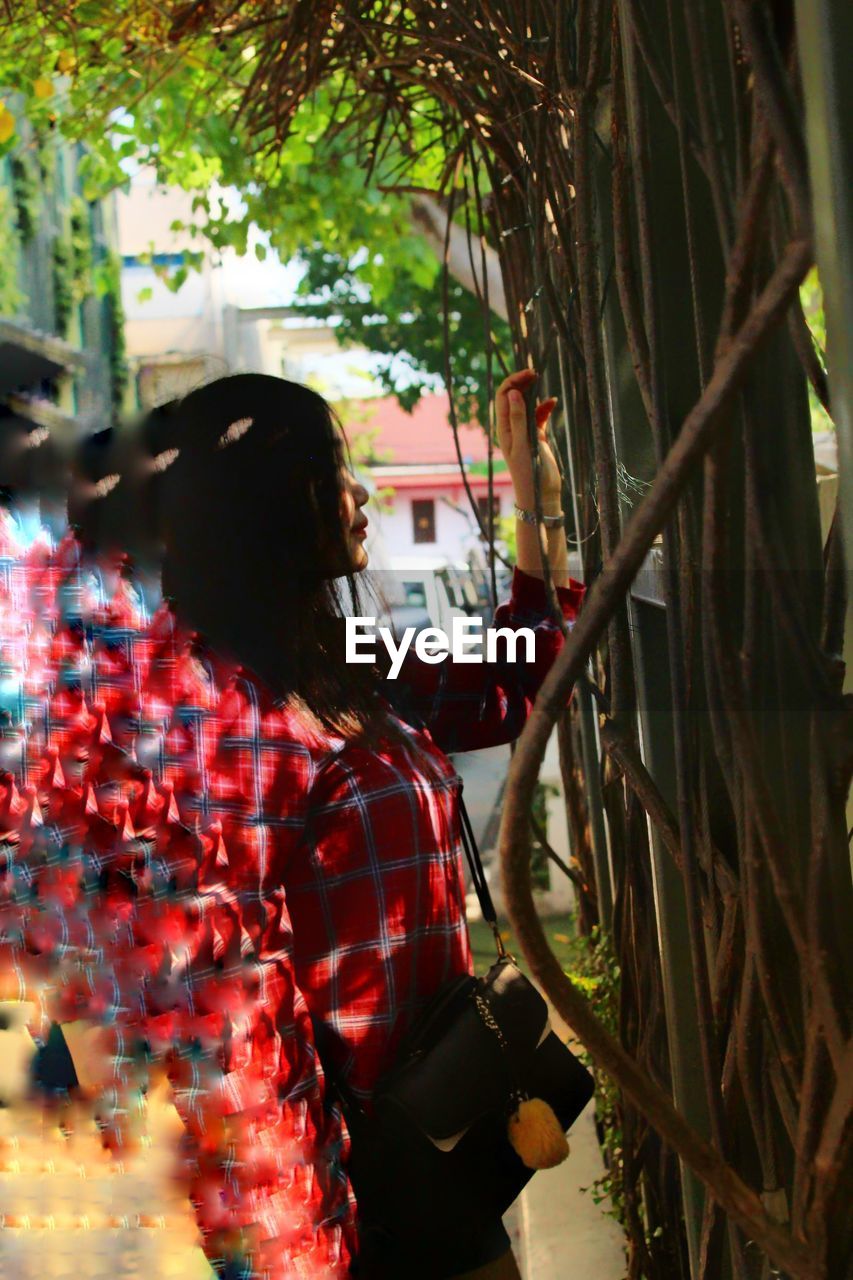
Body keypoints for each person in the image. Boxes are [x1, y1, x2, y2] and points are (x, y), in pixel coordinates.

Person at [15, 367, 584, 1279]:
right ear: (266, 504)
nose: (358, 497)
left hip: (440, 1138)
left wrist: (538, 500)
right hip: (338, 1197)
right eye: (333, 471)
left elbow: (515, 681)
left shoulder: (344, 663)